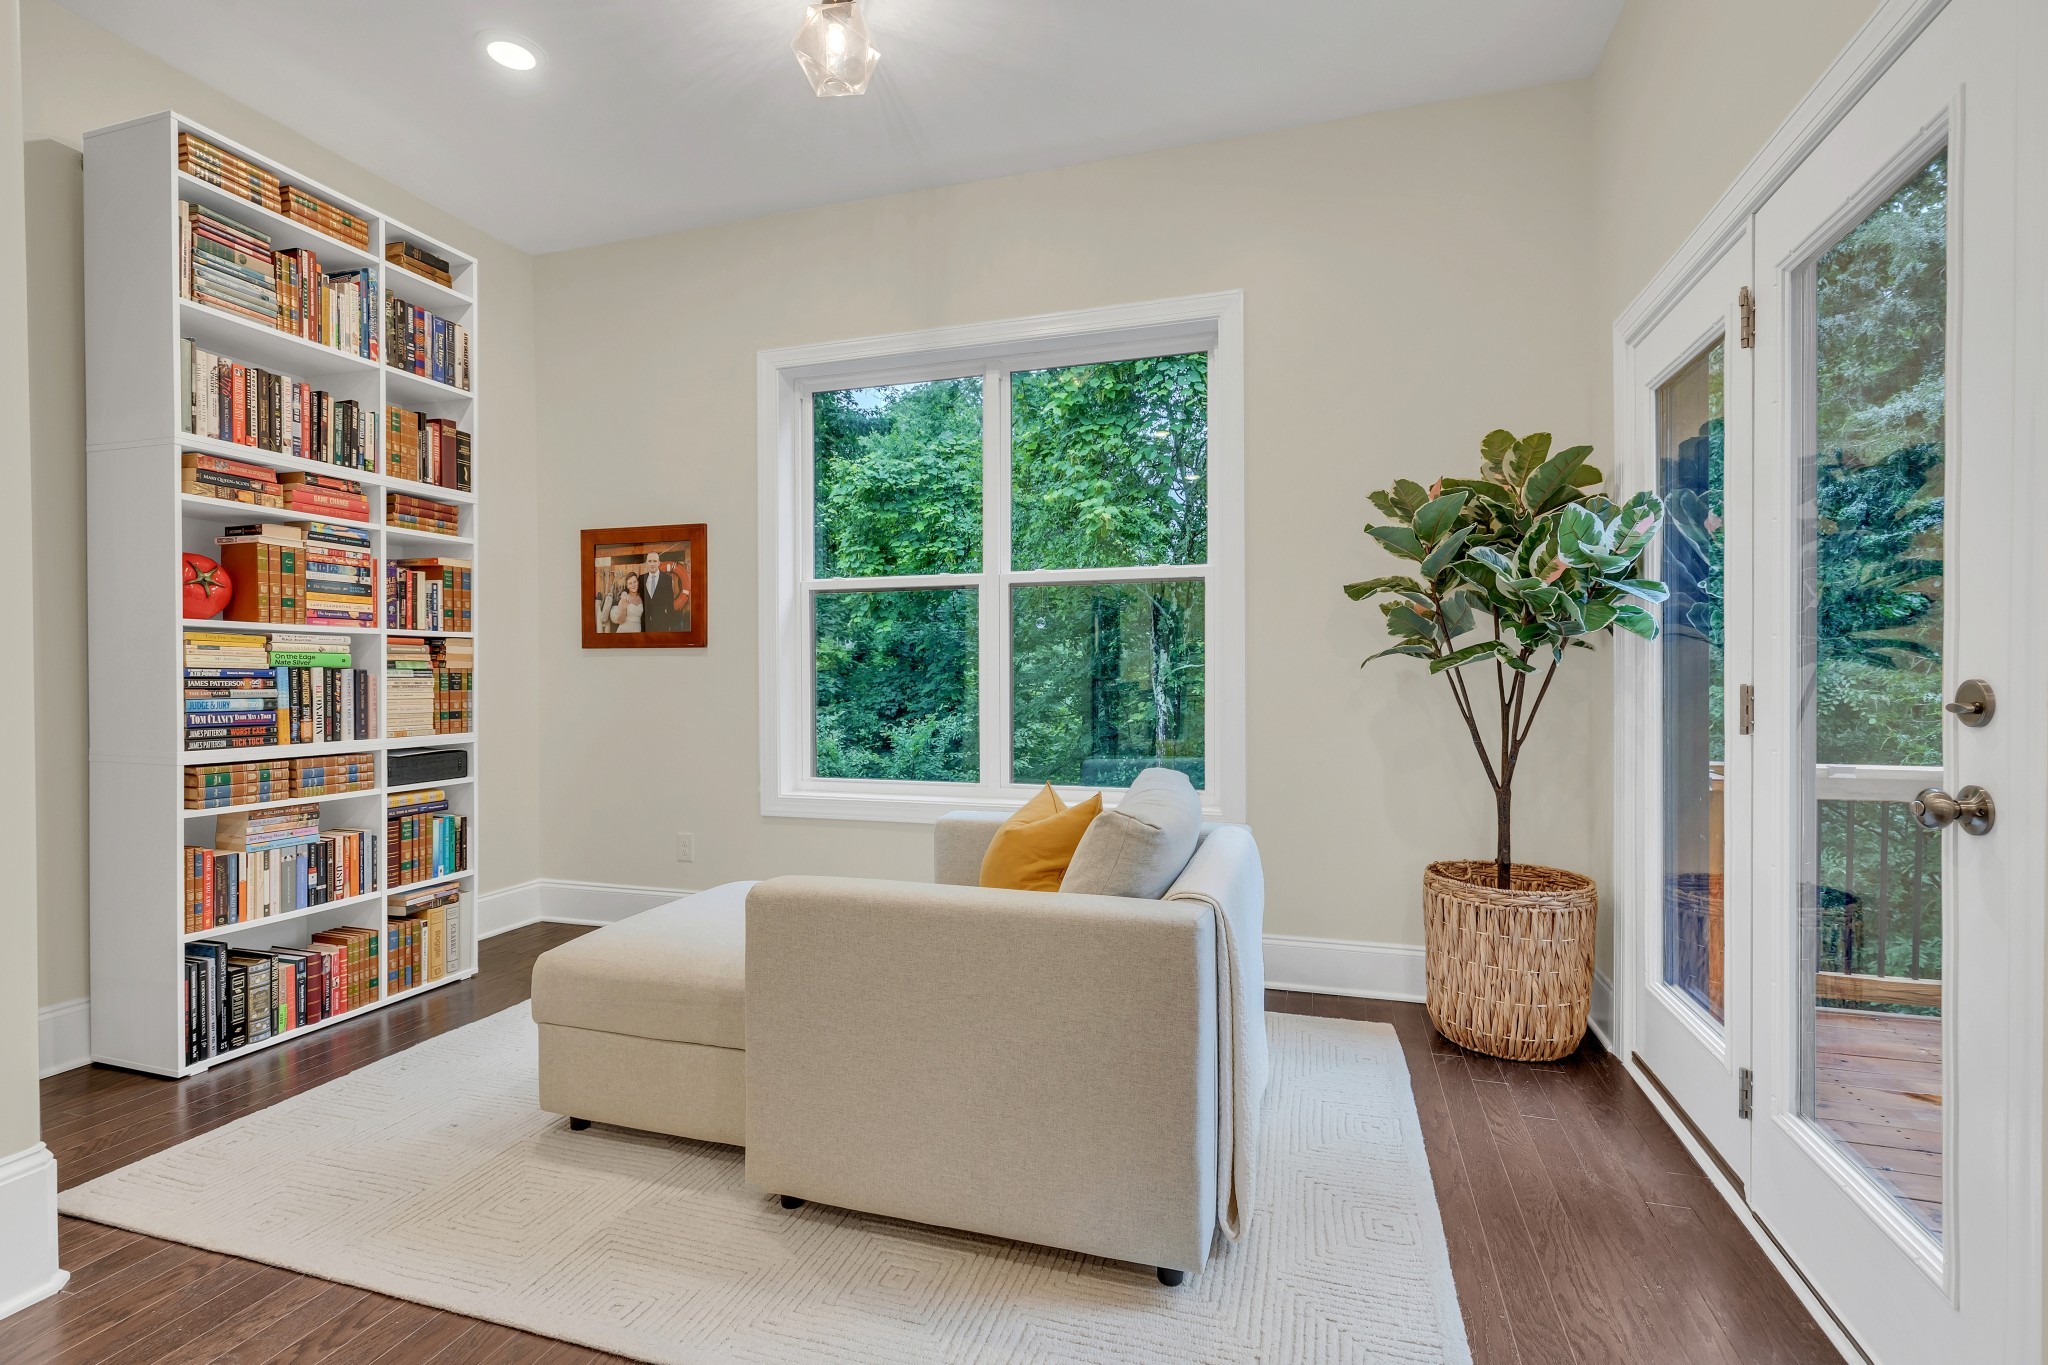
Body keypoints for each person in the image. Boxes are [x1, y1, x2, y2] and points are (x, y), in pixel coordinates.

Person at [639, 551, 682, 632]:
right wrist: (624, 592)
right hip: (645, 623)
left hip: (662, 623)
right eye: (650, 561)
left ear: (659, 563)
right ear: (646, 563)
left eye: (654, 561)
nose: (652, 564)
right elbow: (631, 589)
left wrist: (670, 623)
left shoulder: (666, 579)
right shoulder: (641, 578)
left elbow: (669, 601)